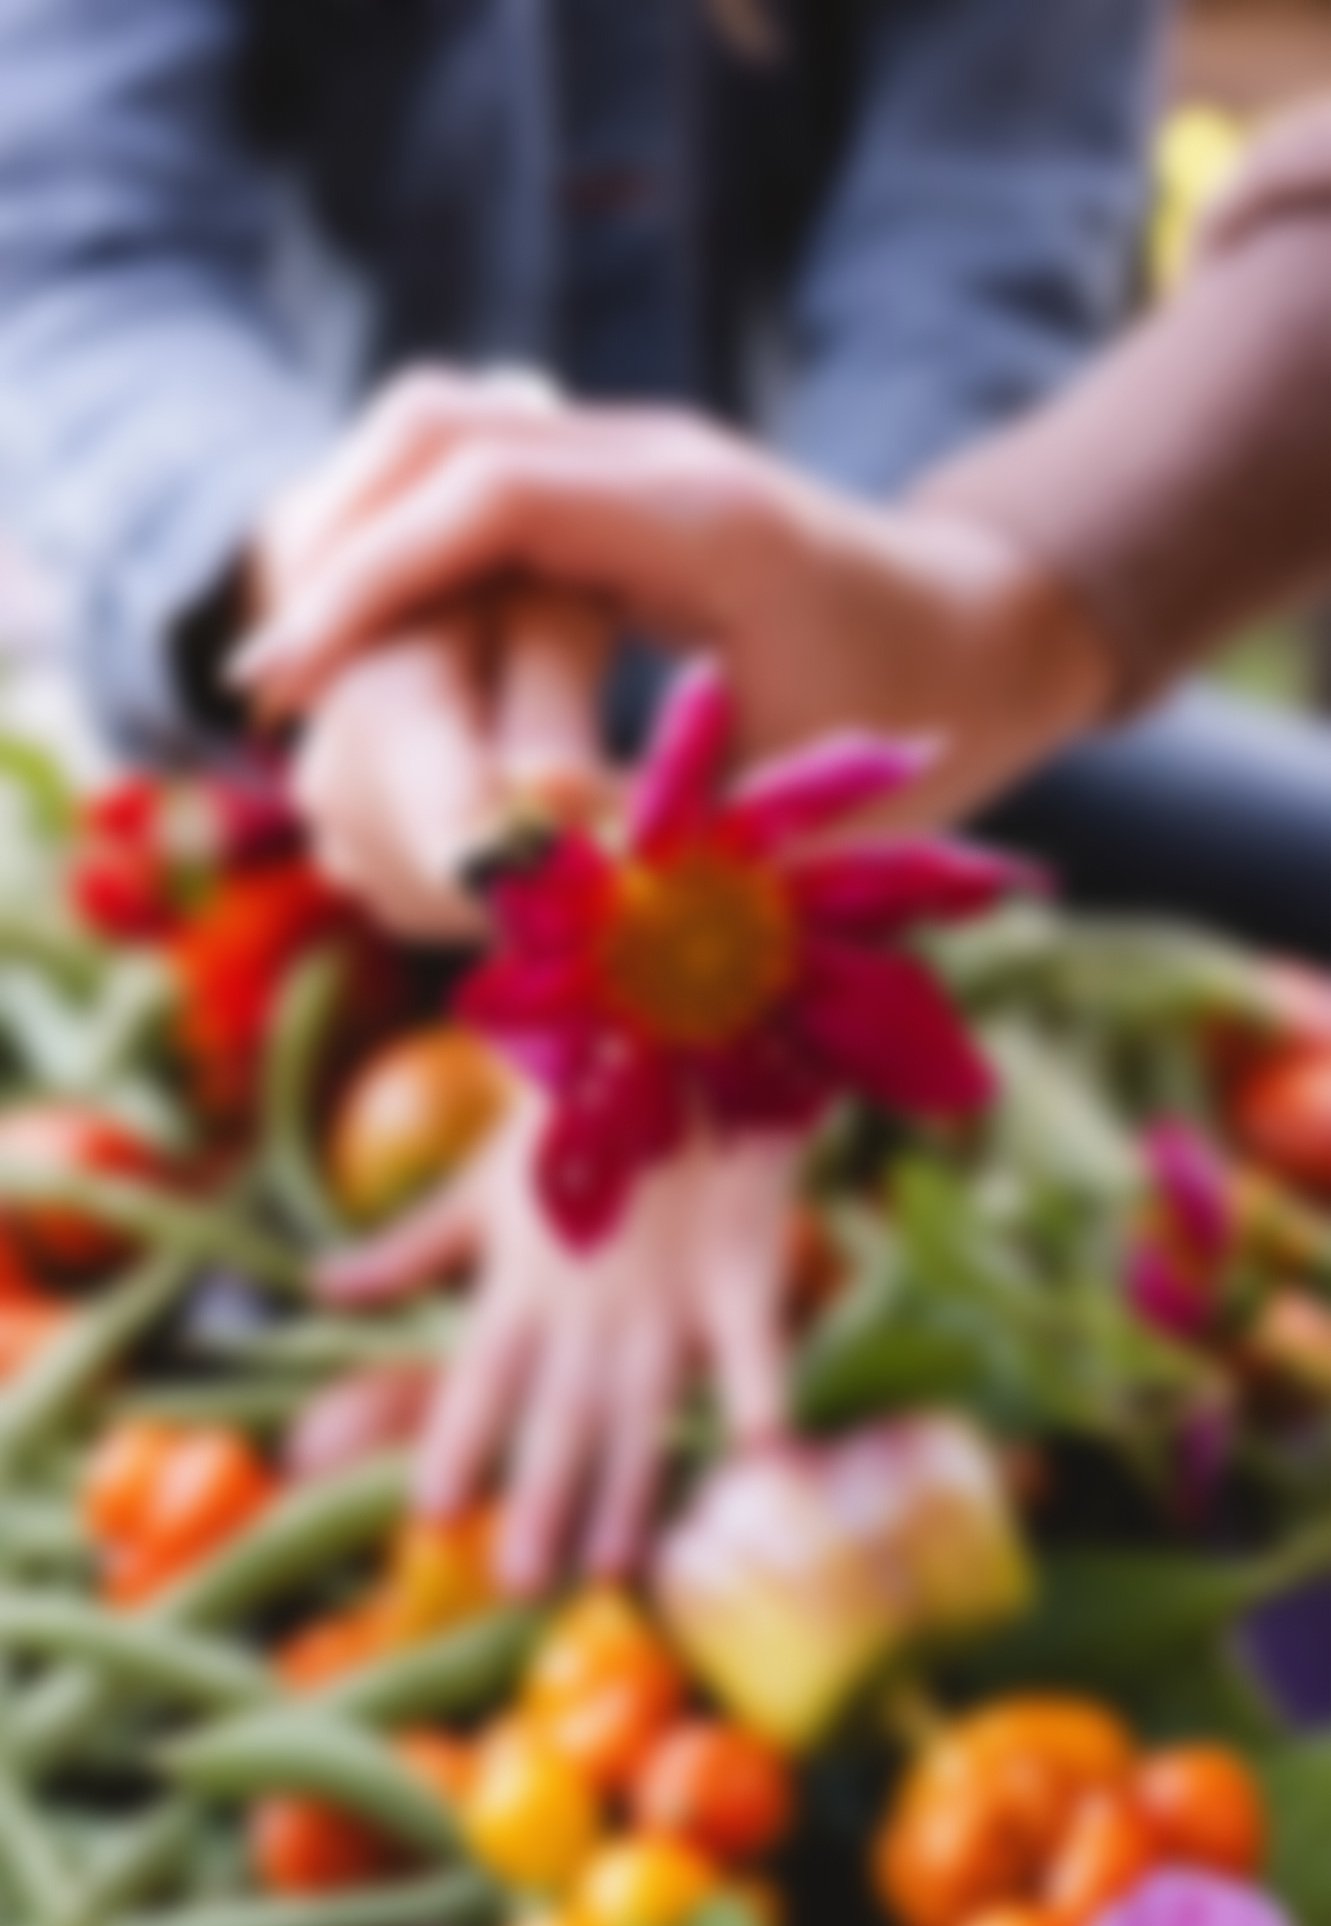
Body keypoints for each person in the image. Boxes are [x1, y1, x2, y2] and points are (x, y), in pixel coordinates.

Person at [0, 0, 1176, 1582]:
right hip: (292, 662)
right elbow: (77, 244)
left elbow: (971, 280)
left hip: (874, 645)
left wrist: (762, 913)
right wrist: (323, 567)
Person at [256, 98, 1331, 1587]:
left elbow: (977, 240)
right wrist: (310, 575)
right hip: (320, 641)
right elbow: (85, 245)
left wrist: (979, 611)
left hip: (882, 605)